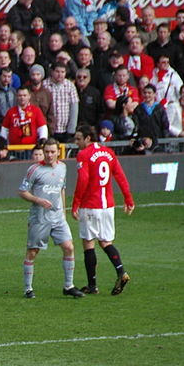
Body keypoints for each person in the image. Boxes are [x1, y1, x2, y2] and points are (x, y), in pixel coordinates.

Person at [71, 125, 134, 296]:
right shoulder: (109, 153)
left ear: (88, 138)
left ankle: (92, 286)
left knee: (88, 243)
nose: (76, 142)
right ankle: (121, 272)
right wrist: (128, 198)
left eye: (78, 139)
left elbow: (83, 179)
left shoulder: (83, 155)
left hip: (90, 204)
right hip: (107, 206)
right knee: (106, 242)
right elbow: (120, 175)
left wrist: (76, 203)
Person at [18, 138, 84, 299]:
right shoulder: (34, 170)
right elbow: (22, 191)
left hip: (58, 218)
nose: (49, 155)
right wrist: (38, 200)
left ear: (57, 152)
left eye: (52, 152)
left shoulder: (63, 167)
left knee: (69, 247)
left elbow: (62, 189)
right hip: (39, 218)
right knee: (33, 252)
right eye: (46, 152)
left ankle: (68, 286)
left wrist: (63, 211)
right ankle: (28, 288)